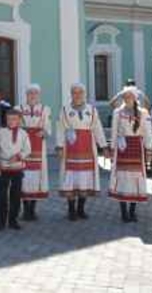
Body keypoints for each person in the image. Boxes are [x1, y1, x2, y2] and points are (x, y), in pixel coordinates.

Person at [56, 83, 107, 221]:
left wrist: (103, 145)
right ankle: (71, 210)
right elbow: (60, 129)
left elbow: (97, 128)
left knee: (85, 177)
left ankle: (81, 209)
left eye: (80, 92)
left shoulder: (92, 110)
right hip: (71, 148)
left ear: (84, 94)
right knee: (70, 178)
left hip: (87, 148)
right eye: (74, 92)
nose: (77, 95)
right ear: (71, 94)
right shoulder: (65, 110)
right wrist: (59, 146)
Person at [108, 86, 152, 223]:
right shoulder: (118, 112)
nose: (127, 98)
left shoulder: (143, 113)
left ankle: (132, 211)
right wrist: (112, 148)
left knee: (135, 178)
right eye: (125, 96)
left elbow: (147, 132)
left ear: (135, 98)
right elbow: (114, 131)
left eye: (130, 96)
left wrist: (149, 149)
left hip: (136, 148)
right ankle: (123, 213)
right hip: (122, 148)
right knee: (122, 178)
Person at [18, 84, 52, 221]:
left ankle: (33, 208)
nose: (32, 95)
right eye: (30, 93)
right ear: (26, 95)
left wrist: (44, 131)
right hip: (23, 148)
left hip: (38, 147)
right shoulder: (18, 109)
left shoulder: (45, 109)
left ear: (39, 95)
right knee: (24, 177)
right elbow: (15, 126)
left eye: (35, 93)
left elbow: (48, 127)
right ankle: (25, 209)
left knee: (37, 177)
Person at [0, 109, 30, 230]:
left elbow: (27, 150)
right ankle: (0, 221)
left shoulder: (23, 134)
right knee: (1, 195)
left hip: (17, 168)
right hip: (4, 168)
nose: (11, 121)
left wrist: (18, 156)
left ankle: (13, 220)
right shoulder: (1, 132)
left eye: (14, 119)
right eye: (9, 119)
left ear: (19, 120)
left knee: (16, 195)